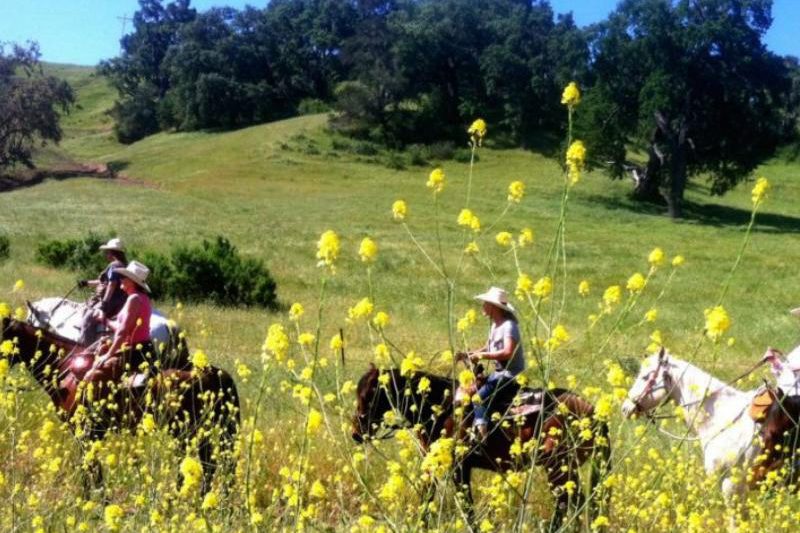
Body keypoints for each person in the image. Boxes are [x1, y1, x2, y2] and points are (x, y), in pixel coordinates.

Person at [459, 286, 525, 439]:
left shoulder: (509, 326)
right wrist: (468, 354)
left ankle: (482, 432)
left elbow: (508, 352)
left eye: (485, 303)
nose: (483, 306)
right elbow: (487, 348)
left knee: (478, 398)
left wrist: (481, 356)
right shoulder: (496, 325)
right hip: (499, 372)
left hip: (510, 373)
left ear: (494, 307)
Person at [83, 260, 154, 385]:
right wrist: (105, 320)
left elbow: (122, 331)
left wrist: (109, 355)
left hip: (134, 351)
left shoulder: (134, 299)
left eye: (123, 277)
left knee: (91, 377)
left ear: (131, 281)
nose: (120, 279)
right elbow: (123, 327)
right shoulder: (142, 297)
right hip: (141, 348)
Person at [78, 238, 129, 345]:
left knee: (88, 318)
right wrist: (86, 283)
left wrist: (104, 303)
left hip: (112, 301)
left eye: (107, 252)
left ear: (112, 252)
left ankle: (85, 347)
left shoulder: (114, 265)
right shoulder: (124, 265)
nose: (106, 254)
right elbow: (104, 282)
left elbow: (112, 284)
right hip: (122, 300)